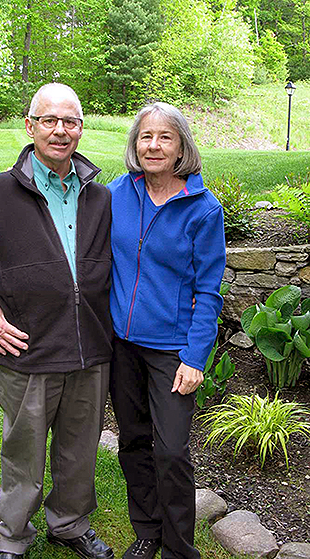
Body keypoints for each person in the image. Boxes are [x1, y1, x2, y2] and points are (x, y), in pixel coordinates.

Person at [0, 83, 114, 559]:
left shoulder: (100, 197)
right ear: (30, 127)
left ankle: (69, 523)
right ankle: (12, 536)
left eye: (69, 121)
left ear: (81, 129)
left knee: (79, 452)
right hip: (26, 351)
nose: (60, 130)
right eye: (49, 120)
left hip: (89, 349)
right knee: (23, 455)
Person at [108, 102, 226, 559]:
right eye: (145, 136)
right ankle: (147, 530)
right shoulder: (116, 193)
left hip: (172, 351)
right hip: (121, 345)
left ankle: (179, 548)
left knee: (172, 451)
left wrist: (196, 356)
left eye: (165, 137)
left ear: (181, 148)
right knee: (133, 440)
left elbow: (209, 290)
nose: (153, 145)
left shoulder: (202, 208)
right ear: (135, 144)